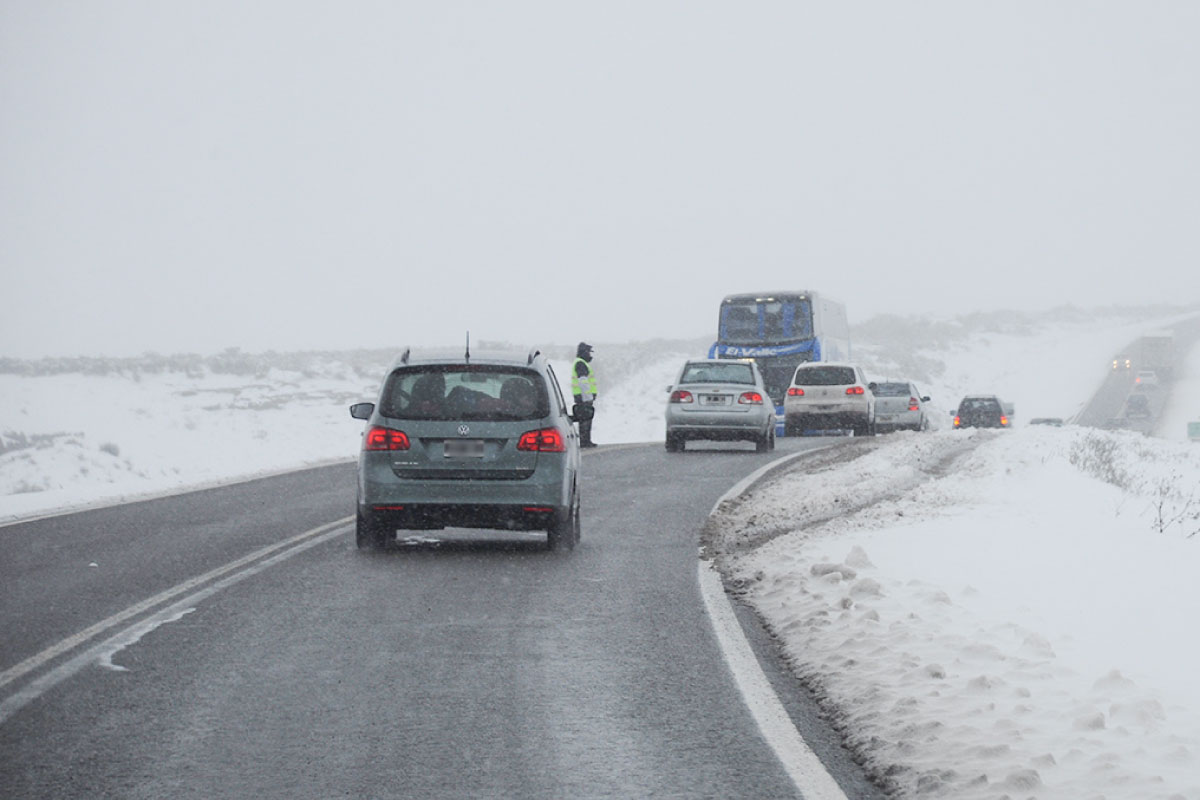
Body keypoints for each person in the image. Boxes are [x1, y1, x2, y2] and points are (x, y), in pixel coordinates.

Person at [572, 341, 598, 447]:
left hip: (581, 397)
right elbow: (583, 382)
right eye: (588, 352)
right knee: (585, 418)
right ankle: (585, 441)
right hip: (584, 398)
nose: (590, 355)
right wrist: (588, 397)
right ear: (584, 352)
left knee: (585, 418)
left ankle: (585, 440)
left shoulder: (580, 363)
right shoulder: (581, 364)